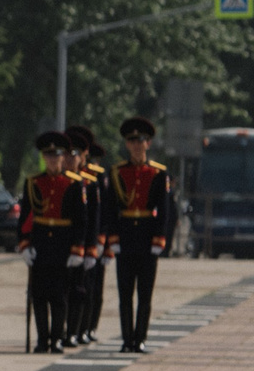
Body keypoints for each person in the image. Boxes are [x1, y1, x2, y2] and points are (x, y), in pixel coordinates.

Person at [110, 117, 173, 351]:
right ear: (127, 145)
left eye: (141, 141)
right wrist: (113, 239)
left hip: (147, 237)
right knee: (125, 293)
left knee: (145, 294)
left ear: (148, 144)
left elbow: (164, 210)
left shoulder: (158, 173)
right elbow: (111, 209)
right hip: (125, 237)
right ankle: (127, 340)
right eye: (132, 141)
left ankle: (141, 338)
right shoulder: (117, 172)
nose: (137, 146)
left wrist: (159, 239)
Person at [18, 134, 81, 353]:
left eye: (56, 155)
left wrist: (77, 248)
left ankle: (56, 338)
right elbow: (26, 217)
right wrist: (25, 245)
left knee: (59, 295)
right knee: (39, 295)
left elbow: (80, 220)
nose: (52, 160)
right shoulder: (33, 182)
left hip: (63, 244)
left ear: (63, 157)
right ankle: (42, 339)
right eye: (48, 156)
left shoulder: (73, 184)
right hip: (41, 243)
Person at [63, 125, 108, 345]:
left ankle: (82, 328)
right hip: (65, 242)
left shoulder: (92, 181)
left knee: (89, 288)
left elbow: (101, 214)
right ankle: (65, 330)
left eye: (76, 153)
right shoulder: (62, 179)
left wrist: (100, 244)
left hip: (88, 242)